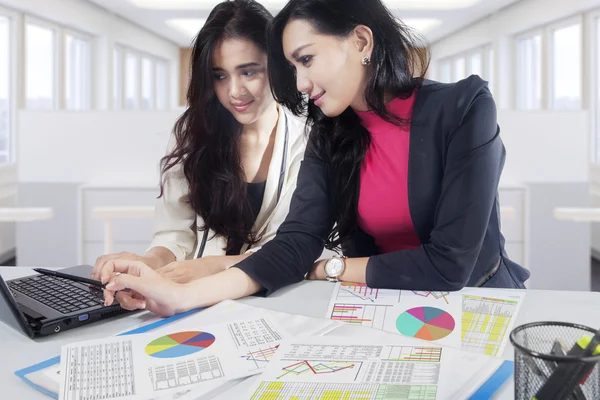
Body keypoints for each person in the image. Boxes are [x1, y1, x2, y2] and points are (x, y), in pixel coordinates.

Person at [99, 0, 530, 317]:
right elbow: (296, 242)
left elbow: (449, 264)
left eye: (306, 60)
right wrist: (182, 296)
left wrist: (327, 268)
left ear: (361, 40)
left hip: (475, 301)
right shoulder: (332, 128)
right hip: (380, 305)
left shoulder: (463, 107)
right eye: (292, 67)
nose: (300, 83)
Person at [91, 0, 307, 285]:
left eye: (249, 71)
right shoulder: (192, 133)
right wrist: (149, 262)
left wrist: (213, 267)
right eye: (220, 75)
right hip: (192, 295)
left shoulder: (306, 140)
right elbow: (174, 234)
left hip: (272, 291)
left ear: (277, 66)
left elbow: (290, 247)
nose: (234, 91)